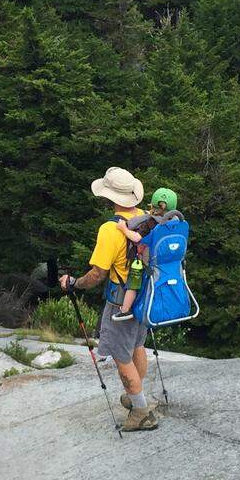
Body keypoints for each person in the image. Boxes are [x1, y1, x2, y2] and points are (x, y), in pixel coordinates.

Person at [60, 167, 159, 432]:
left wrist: (74, 284)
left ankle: (141, 412)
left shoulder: (110, 229)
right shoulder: (148, 219)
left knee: (119, 354)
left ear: (110, 197)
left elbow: (97, 274)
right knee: (137, 345)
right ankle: (135, 396)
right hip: (144, 296)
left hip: (120, 303)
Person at [111, 188, 180, 322]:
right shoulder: (177, 222)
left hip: (148, 262)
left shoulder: (151, 222)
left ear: (153, 206)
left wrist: (123, 229)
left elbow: (136, 238)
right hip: (167, 262)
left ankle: (125, 310)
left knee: (133, 282)